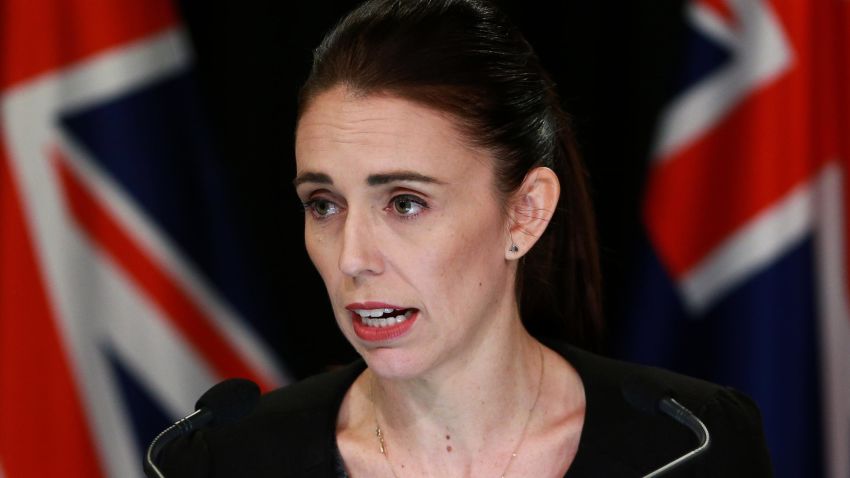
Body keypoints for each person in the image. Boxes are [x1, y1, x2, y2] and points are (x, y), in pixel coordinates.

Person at [159, 0, 773, 476]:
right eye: (324, 204)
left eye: (405, 202)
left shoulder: (692, 445)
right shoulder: (223, 463)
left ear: (525, 214)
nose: (352, 257)